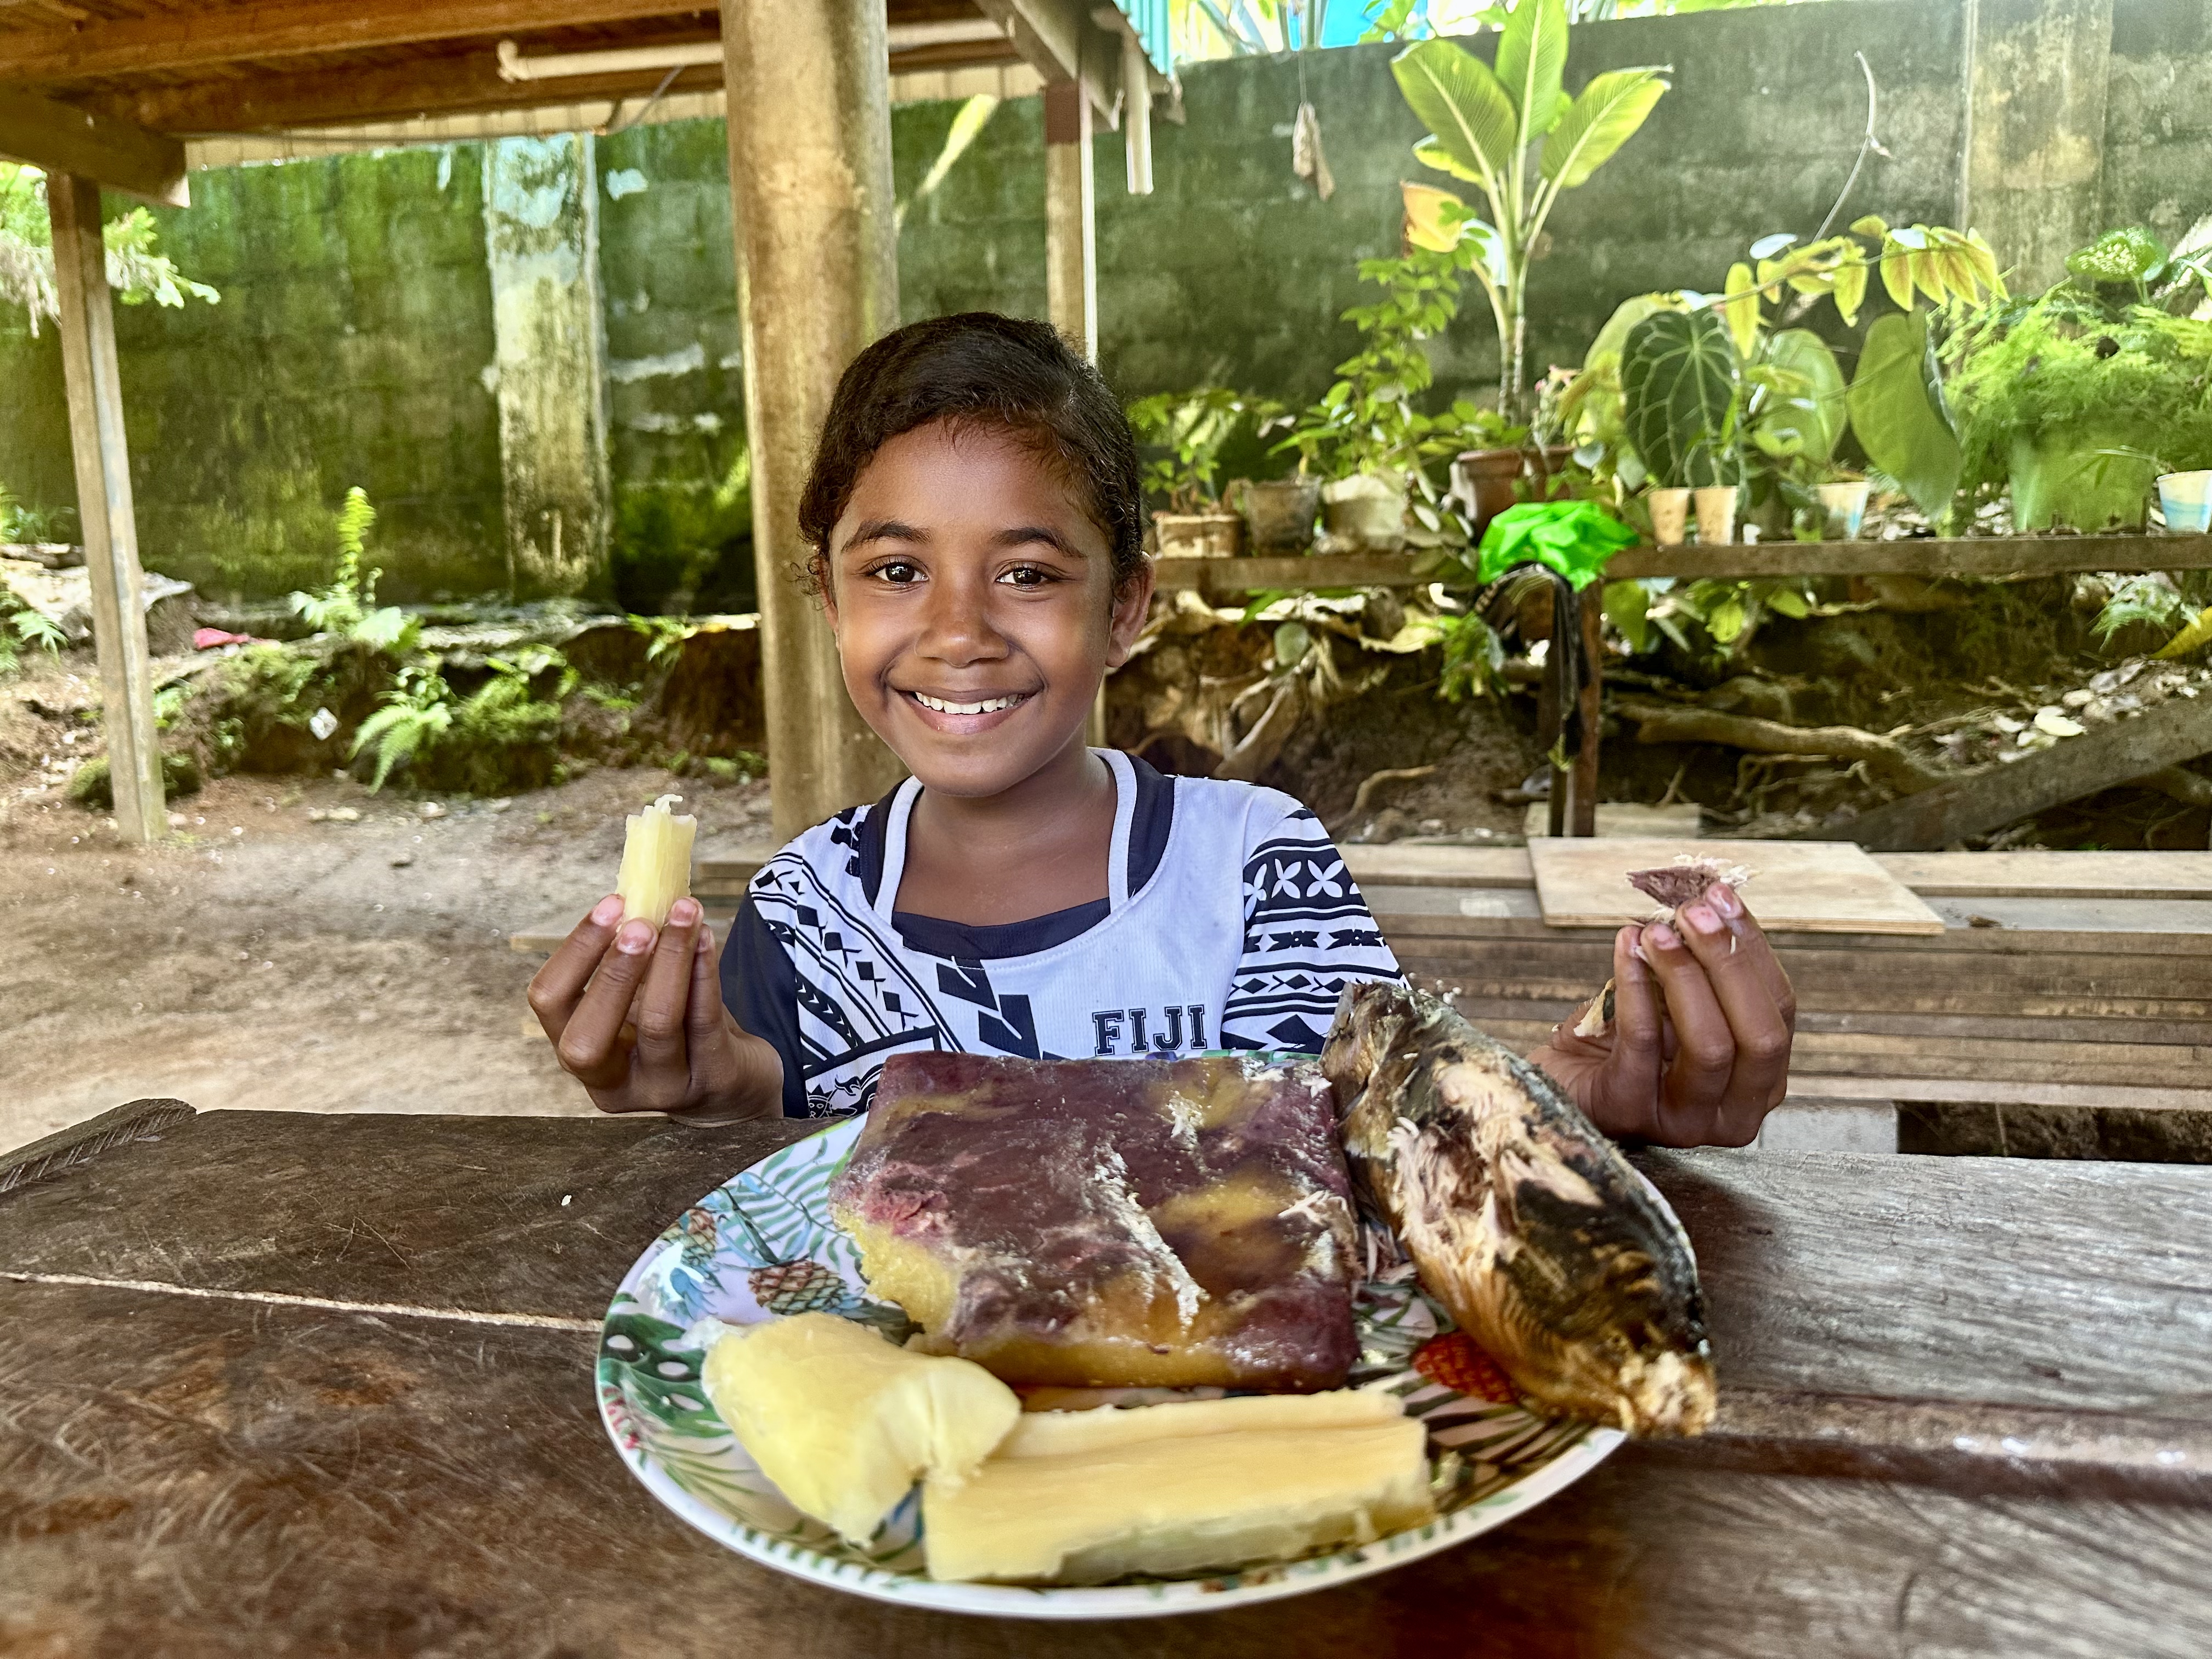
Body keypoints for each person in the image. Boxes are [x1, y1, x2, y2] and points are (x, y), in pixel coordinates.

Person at [529, 313, 1795, 1148]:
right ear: (828, 596)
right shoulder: (804, 918)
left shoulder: (1251, 868)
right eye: (897, 572)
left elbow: (1362, 1122)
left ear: (1126, 606)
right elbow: (780, 1180)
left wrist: (1568, 1098)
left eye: (1029, 574)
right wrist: (713, 1092)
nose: (959, 632)